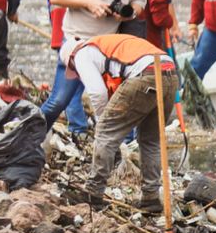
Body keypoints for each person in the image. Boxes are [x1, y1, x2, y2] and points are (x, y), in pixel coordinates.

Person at [64, 33, 177, 209]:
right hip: (169, 72)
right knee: (151, 140)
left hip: (145, 74)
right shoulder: (106, 44)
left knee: (105, 131)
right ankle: (151, 196)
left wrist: (103, 121)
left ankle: (93, 192)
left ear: (70, 57)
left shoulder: (80, 54)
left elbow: (97, 93)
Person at [39, 0, 93, 132]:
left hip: (60, 37)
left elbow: (50, 6)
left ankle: (77, 126)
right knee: (72, 91)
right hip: (79, 37)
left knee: (67, 90)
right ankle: (78, 127)